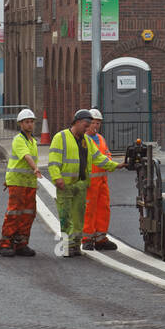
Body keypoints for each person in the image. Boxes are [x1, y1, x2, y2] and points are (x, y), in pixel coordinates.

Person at [48, 109, 119, 257]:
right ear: (77, 122)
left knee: (78, 217)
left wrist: (116, 165)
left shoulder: (86, 140)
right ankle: (67, 247)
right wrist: (57, 178)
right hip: (65, 184)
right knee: (66, 218)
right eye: (86, 126)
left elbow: (98, 157)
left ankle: (75, 246)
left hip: (80, 185)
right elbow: (53, 161)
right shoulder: (60, 137)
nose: (87, 129)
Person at [0, 109, 40, 257]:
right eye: (26, 122)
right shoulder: (19, 140)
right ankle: (5, 244)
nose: (30, 124)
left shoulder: (33, 141)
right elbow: (26, 157)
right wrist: (35, 168)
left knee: (28, 213)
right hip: (18, 182)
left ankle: (21, 243)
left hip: (28, 183)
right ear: (21, 124)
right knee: (14, 212)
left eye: (31, 122)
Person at [81, 109, 117, 251]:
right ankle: (87, 238)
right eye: (93, 123)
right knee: (89, 210)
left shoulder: (101, 139)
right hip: (90, 182)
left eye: (98, 123)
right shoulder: (83, 139)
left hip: (102, 180)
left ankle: (100, 237)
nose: (95, 126)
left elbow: (107, 153)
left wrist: (110, 160)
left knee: (103, 208)